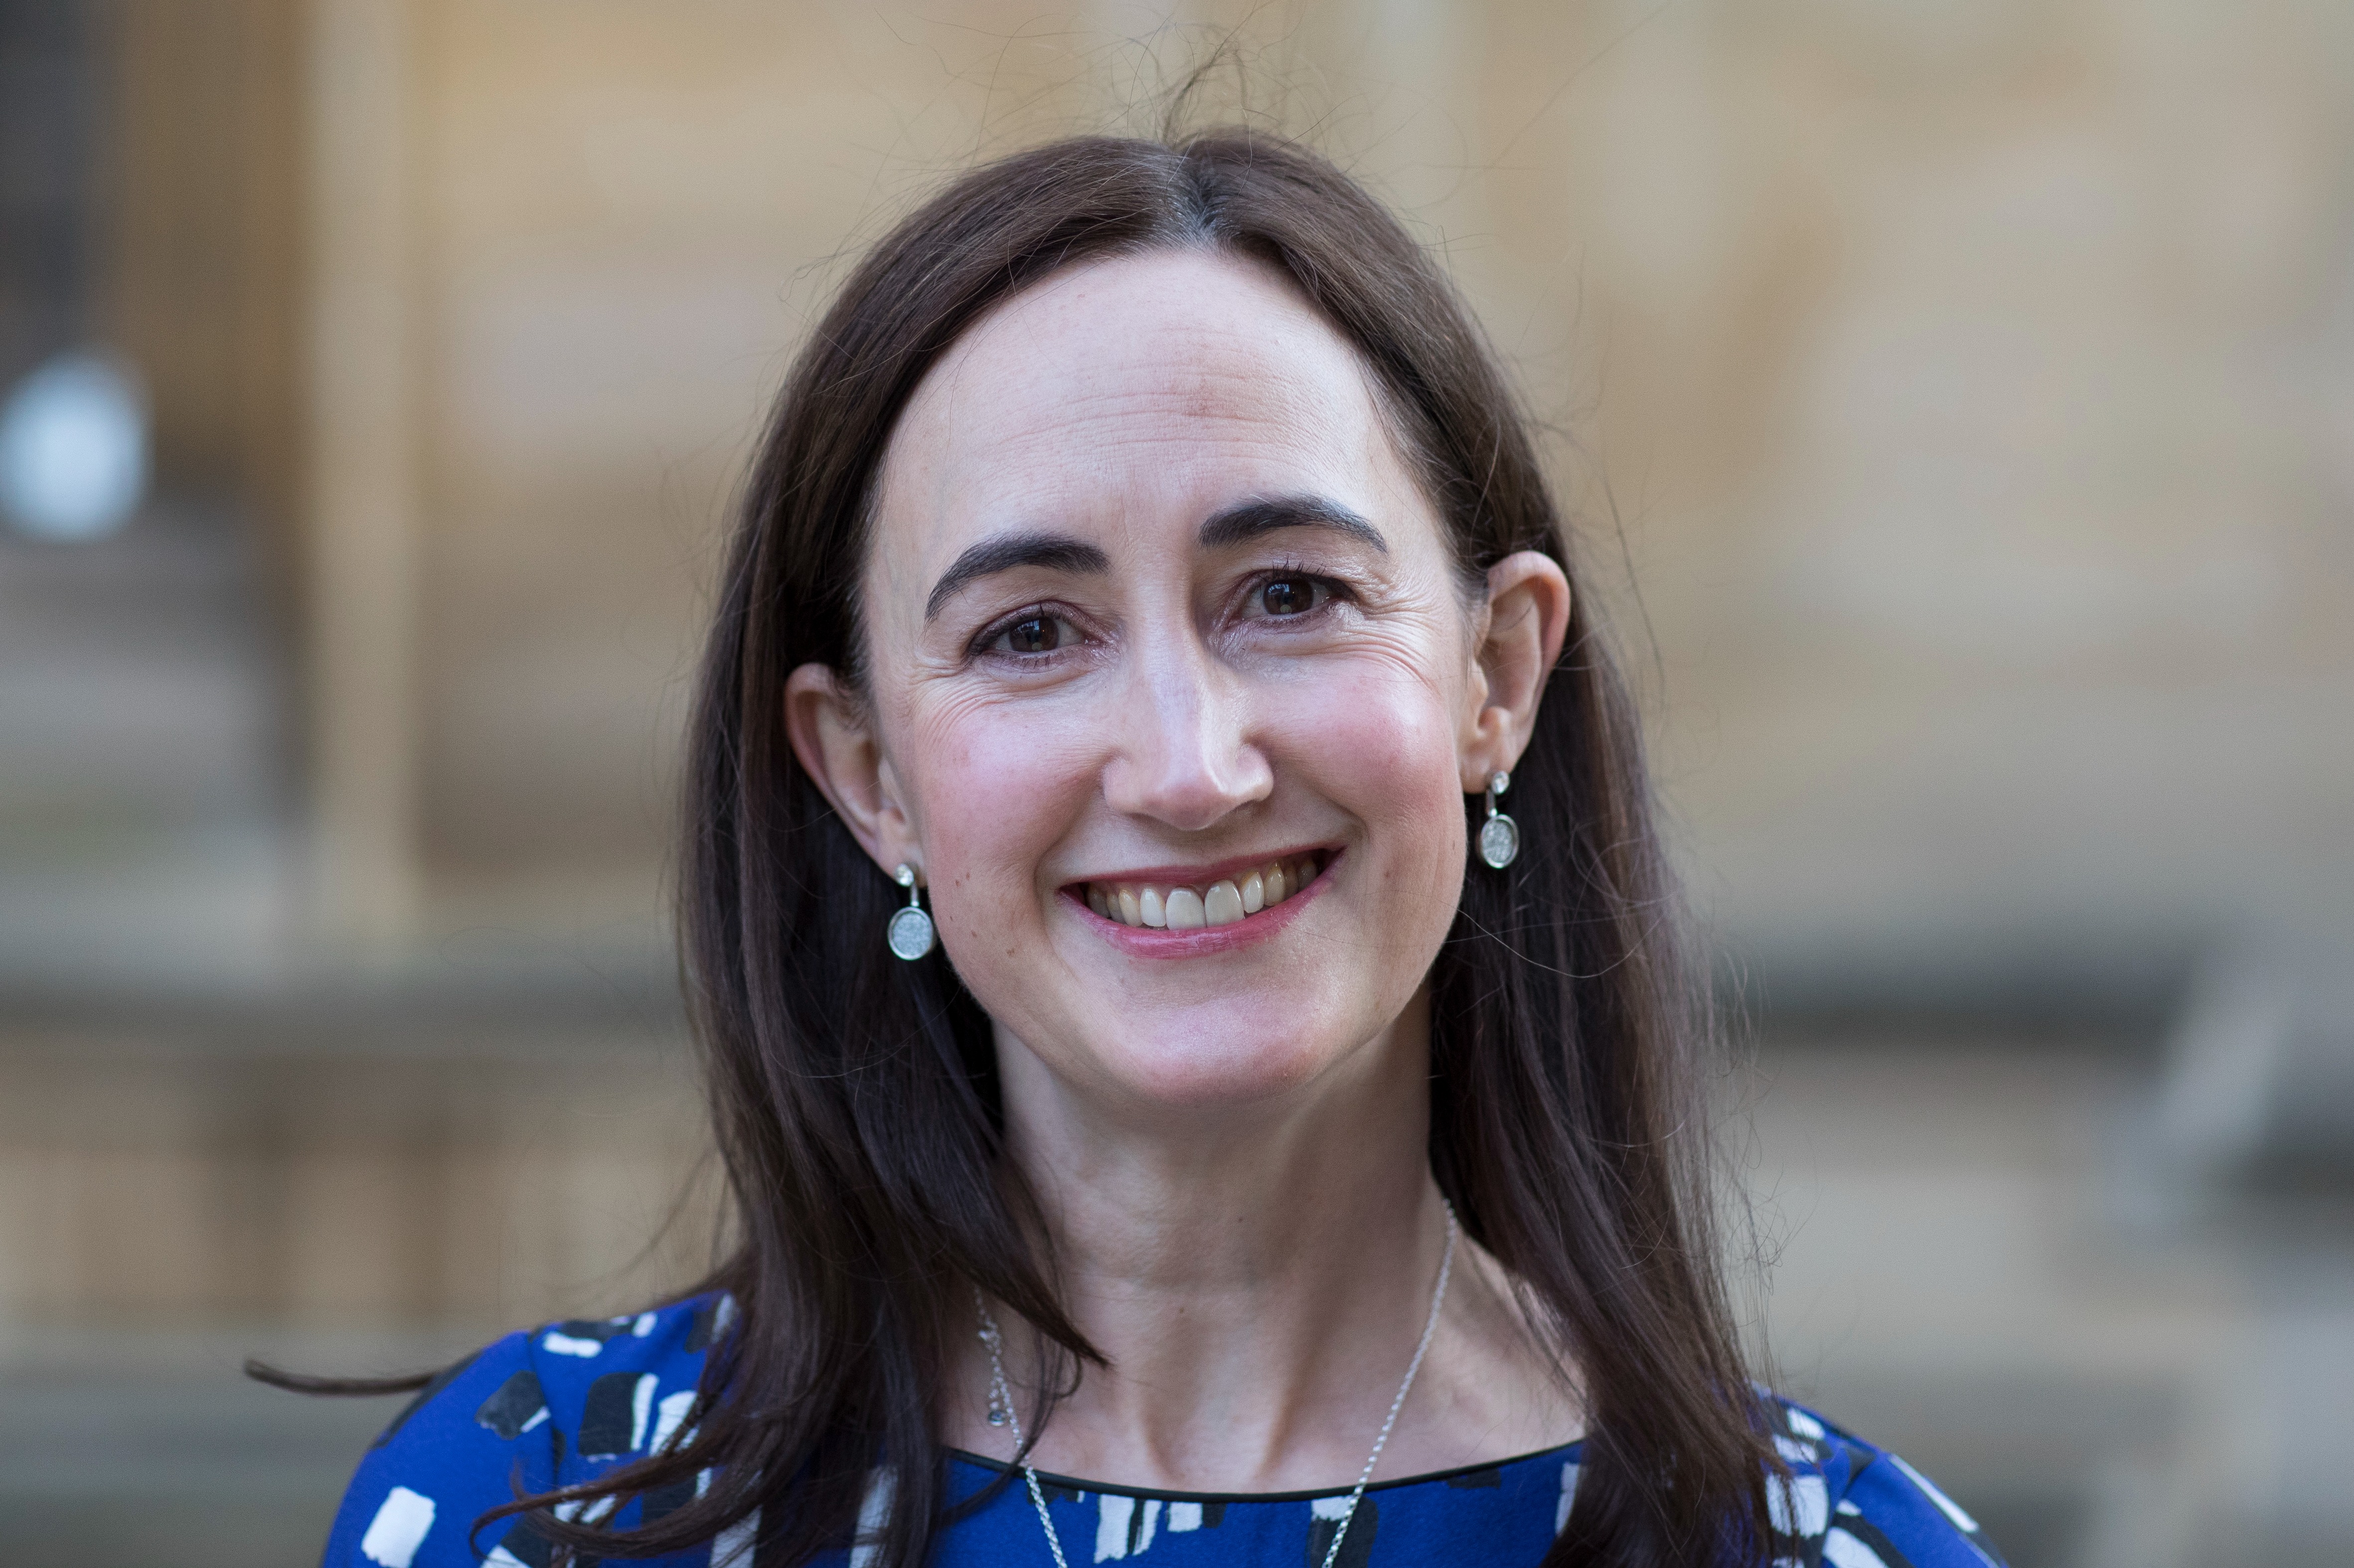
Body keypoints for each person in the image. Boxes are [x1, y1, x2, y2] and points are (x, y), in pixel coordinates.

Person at [312, 131, 2005, 1568]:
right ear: (868, 774)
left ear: (1494, 679)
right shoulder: (523, 1518)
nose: (1191, 769)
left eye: (1288, 596)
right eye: (1031, 631)